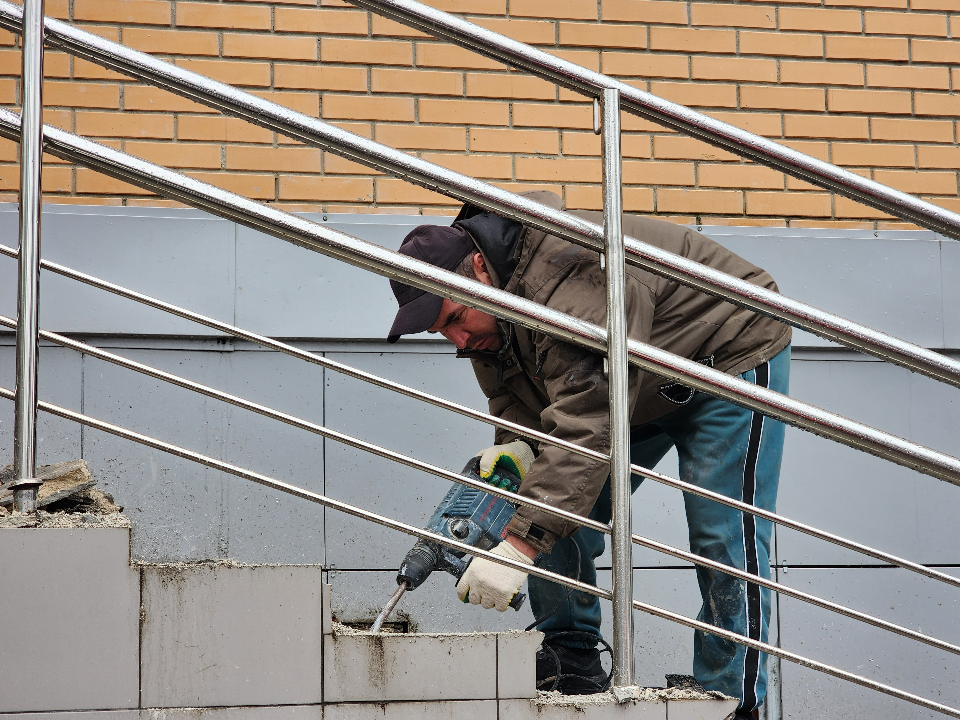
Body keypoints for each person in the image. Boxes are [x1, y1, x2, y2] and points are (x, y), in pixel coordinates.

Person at [386, 191, 791, 719]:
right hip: (625, 379)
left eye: (458, 317)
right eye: (442, 329)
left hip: (723, 354)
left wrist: (517, 546)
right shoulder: (487, 323)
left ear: (480, 270)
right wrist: (516, 451)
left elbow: (586, 425)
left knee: (723, 535)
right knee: (544, 494)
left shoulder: (567, 276)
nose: (457, 338)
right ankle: (571, 654)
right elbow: (525, 410)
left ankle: (736, 699)